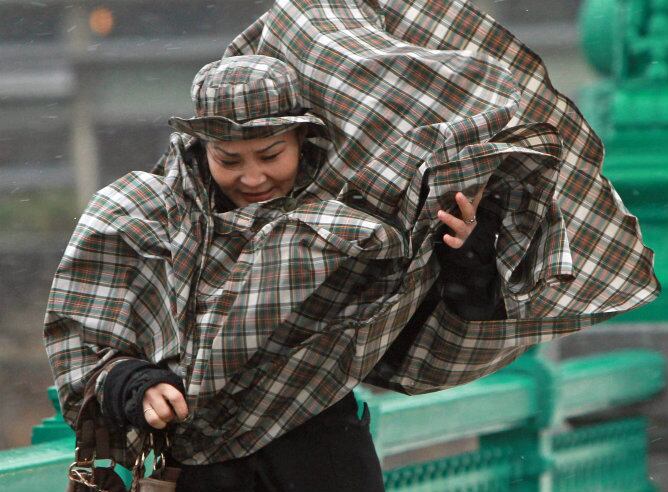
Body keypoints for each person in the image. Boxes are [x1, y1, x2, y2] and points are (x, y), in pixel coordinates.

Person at [46, 54, 498, 492]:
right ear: (200, 150)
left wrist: (465, 250)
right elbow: (86, 345)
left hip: (322, 461)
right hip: (200, 471)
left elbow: (443, 322)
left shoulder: (358, 217)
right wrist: (137, 385)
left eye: (270, 154)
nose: (254, 177)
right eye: (230, 160)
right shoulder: (144, 219)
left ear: (303, 140)